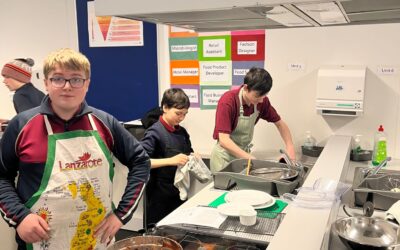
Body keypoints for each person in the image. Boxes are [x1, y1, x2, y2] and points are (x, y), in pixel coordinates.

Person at [0, 48, 151, 250]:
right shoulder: (21, 125)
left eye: (76, 79)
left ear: (87, 84)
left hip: (96, 241)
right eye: (58, 79)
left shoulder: (105, 123)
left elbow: (141, 162)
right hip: (39, 242)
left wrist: (121, 214)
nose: (67, 86)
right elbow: (1, 177)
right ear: (46, 83)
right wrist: (19, 217)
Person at [210, 67, 296, 172]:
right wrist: (252, 159)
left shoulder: (262, 101)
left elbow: (280, 124)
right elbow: (224, 140)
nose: (261, 100)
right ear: (246, 88)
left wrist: (290, 147)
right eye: (257, 96)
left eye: (264, 96)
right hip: (224, 159)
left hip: (244, 156)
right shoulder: (228, 101)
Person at [140, 88, 195, 227]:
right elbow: (141, 162)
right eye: (178, 113)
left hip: (178, 191)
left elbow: (188, 152)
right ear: (165, 107)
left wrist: (194, 156)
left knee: (177, 229)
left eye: (185, 114)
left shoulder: (182, 132)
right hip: (158, 195)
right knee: (159, 232)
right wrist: (171, 160)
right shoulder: (154, 132)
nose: (181, 118)